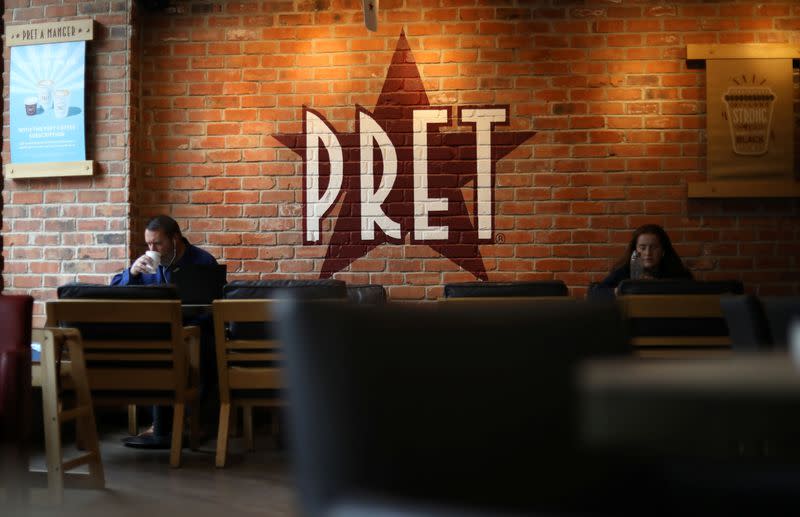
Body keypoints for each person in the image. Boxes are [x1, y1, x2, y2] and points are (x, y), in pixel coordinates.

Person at [111, 215, 218, 448]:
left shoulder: (203, 262)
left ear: (175, 238)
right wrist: (132, 273)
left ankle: (186, 422)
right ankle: (163, 424)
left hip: (195, 333)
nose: (152, 249)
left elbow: (215, 306)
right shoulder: (147, 266)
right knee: (150, 352)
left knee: (204, 350)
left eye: (157, 244)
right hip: (159, 335)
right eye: (148, 244)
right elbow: (114, 291)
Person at [599, 223, 693, 290]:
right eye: (643, 247)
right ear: (635, 250)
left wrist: (656, 285)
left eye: (654, 247)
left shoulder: (677, 273)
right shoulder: (624, 271)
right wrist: (619, 291)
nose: (648, 253)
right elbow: (595, 292)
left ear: (663, 251)